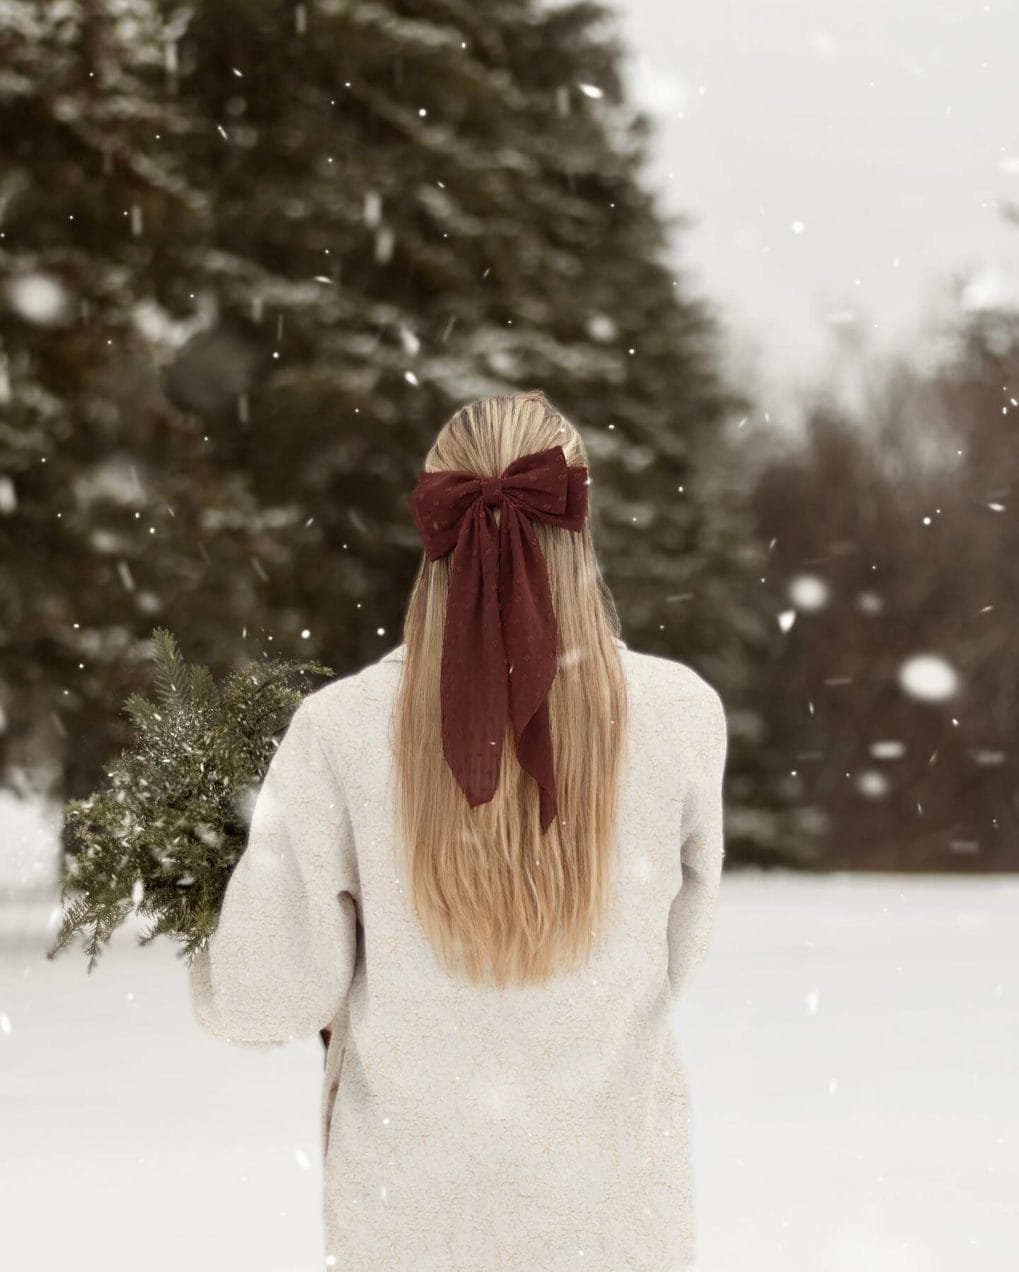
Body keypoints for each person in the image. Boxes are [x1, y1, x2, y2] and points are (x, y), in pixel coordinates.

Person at [188, 388, 729, 1270]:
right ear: (576, 519)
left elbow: (268, 995)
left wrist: (215, 899)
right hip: (615, 1217)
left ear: (432, 524)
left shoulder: (340, 727)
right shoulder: (680, 715)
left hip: (411, 1220)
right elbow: (680, 950)